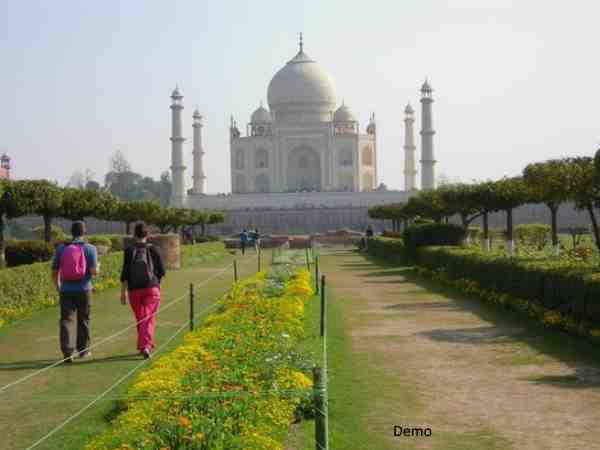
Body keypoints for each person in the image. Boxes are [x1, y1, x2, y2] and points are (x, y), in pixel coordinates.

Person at [52, 221, 98, 363]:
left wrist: (58, 286)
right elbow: (93, 271)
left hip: (66, 290)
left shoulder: (61, 248)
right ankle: (83, 351)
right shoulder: (90, 248)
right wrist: (98, 267)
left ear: (71, 232)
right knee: (84, 319)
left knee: (65, 320)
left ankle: (67, 352)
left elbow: (54, 270)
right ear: (85, 232)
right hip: (84, 289)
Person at [120, 222, 166, 359]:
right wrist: (158, 285)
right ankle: (146, 346)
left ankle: (144, 345)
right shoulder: (154, 249)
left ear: (134, 235)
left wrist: (122, 293)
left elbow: (125, 273)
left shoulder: (129, 251)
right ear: (148, 234)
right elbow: (162, 271)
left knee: (141, 319)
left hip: (134, 290)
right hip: (151, 288)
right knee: (147, 318)